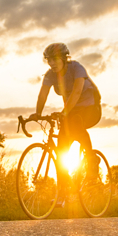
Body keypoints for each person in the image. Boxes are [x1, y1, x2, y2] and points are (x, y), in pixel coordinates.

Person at [28, 43, 101, 201]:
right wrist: (38, 113)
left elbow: (77, 91)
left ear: (64, 58)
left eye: (54, 59)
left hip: (91, 107)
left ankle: (92, 162)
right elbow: (43, 94)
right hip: (72, 110)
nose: (52, 63)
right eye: (49, 60)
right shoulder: (50, 75)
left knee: (76, 124)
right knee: (61, 148)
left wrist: (64, 112)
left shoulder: (77, 68)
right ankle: (63, 192)